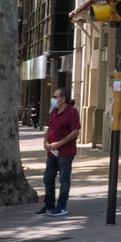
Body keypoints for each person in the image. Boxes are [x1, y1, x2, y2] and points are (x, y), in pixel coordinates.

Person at [36, 88, 81, 217]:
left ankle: (62, 206)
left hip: (65, 152)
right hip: (52, 152)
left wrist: (59, 144)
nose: (53, 99)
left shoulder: (72, 112)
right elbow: (49, 128)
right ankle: (49, 204)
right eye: (53, 97)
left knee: (64, 179)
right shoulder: (54, 111)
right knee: (48, 177)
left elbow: (75, 132)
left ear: (63, 98)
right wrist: (45, 142)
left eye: (56, 97)